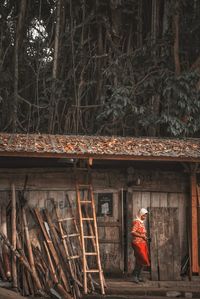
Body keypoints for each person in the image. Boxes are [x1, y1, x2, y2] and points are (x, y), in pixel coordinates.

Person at [131, 208, 150, 283]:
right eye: (143, 216)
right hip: (137, 243)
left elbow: (142, 233)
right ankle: (134, 276)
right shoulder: (136, 222)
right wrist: (142, 236)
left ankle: (138, 276)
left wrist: (145, 238)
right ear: (140, 214)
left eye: (145, 216)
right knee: (140, 259)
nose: (144, 217)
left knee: (142, 260)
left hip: (142, 243)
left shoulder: (141, 223)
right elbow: (133, 232)